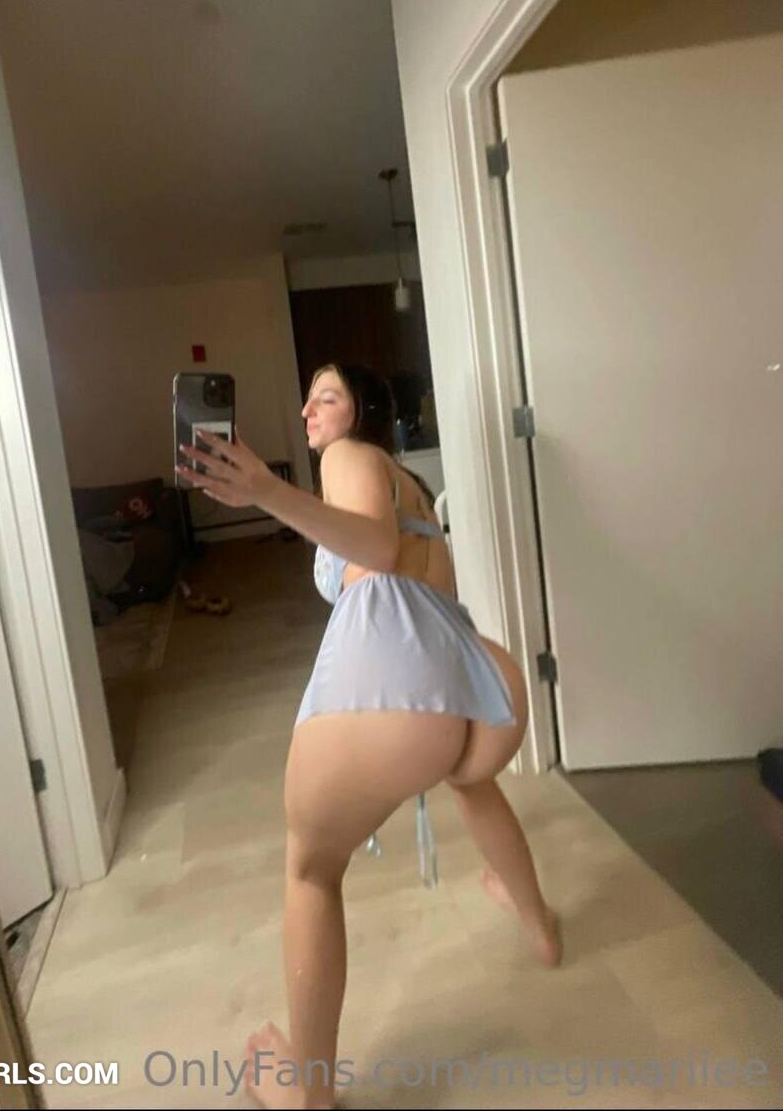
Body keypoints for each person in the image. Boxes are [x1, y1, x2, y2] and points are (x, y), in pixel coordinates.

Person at [176, 362, 560, 1111]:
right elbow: (404, 560)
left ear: (360, 413)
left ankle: (310, 1096)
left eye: (327, 397)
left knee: (310, 870)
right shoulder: (406, 480)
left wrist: (266, 492)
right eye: (308, 399)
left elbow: (377, 554)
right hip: (479, 683)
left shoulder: (347, 457)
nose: (309, 411)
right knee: (471, 784)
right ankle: (539, 925)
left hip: (400, 686)